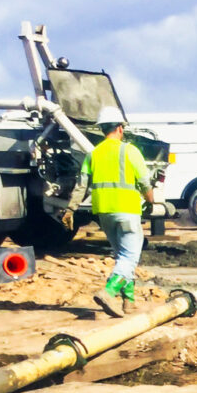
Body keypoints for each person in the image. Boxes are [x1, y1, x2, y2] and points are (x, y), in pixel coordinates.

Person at [81, 104, 152, 318]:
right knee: (129, 257)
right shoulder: (130, 151)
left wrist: (69, 210)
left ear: (102, 129)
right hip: (127, 210)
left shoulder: (92, 154)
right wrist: (151, 200)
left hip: (104, 212)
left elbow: (80, 185)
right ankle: (109, 292)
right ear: (120, 128)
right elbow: (144, 181)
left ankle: (128, 302)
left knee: (121, 256)